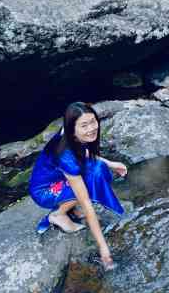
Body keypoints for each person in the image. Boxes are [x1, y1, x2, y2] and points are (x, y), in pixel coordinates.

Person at [28, 102, 127, 270]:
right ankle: (58, 214)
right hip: (44, 191)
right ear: (73, 128)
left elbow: (82, 151)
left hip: (58, 180)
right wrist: (103, 248)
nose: (91, 129)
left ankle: (70, 207)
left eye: (93, 122)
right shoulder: (65, 155)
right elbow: (87, 204)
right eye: (84, 125)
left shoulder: (69, 132)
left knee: (100, 168)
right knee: (90, 182)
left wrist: (110, 163)